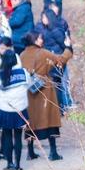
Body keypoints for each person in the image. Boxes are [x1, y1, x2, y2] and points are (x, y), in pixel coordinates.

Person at [20, 32, 73, 161]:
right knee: (50, 119)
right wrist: (68, 48)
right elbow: (60, 61)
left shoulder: (22, 55)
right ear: (34, 40)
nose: (41, 40)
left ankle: (31, 152)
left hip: (28, 91)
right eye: (39, 38)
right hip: (45, 90)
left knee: (31, 120)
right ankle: (53, 152)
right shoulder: (43, 53)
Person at [0, 46, 30, 170]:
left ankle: (9, 163)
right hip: (20, 109)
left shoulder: (1, 75)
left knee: (8, 136)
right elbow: (28, 84)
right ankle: (18, 164)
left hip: (6, 110)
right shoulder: (24, 73)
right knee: (18, 138)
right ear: (15, 60)